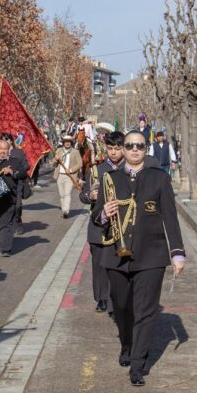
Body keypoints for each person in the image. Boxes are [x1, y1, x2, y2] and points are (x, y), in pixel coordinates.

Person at [93, 130, 185, 386]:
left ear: (146, 149)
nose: (135, 150)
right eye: (130, 146)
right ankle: (127, 343)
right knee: (122, 307)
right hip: (116, 256)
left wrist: (177, 253)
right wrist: (104, 213)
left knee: (145, 310)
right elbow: (96, 217)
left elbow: (170, 217)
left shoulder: (159, 178)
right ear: (123, 149)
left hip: (151, 255)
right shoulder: (110, 179)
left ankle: (137, 364)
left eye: (140, 146)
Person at [79, 131, 125, 313]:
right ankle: (102, 298)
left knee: (118, 265)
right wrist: (90, 195)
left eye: (117, 148)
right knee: (99, 265)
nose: (113, 152)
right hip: (99, 227)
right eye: (110, 148)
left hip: (122, 225)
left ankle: (115, 301)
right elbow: (82, 194)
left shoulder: (129, 169)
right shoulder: (96, 170)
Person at [54, 134, 82, 218]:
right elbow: (52, 164)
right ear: (63, 142)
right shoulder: (58, 150)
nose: (67, 143)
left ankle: (66, 211)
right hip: (60, 175)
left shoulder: (75, 152)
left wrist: (70, 170)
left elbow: (80, 163)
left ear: (71, 143)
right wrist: (55, 159)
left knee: (67, 193)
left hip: (70, 176)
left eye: (69, 142)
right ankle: (64, 210)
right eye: (66, 141)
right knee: (62, 195)